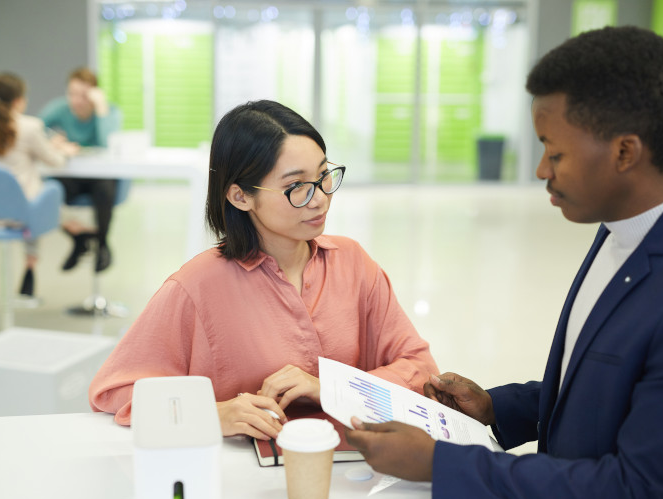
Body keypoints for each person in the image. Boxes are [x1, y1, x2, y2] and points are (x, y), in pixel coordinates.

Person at [346, 26, 663, 499]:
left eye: (555, 153)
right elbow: (607, 385)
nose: (539, 170)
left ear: (624, 153)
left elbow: (637, 495)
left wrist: (441, 465)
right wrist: (495, 408)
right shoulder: (623, 229)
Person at [88, 100, 439, 439]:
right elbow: (115, 392)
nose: (319, 198)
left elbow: (421, 370)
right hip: (240, 483)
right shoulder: (195, 287)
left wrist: (330, 389)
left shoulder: (352, 263)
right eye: (296, 186)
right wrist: (212, 413)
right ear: (240, 196)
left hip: (352, 472)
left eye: (323, 175)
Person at [0, 72, 78, 297]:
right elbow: (55, 162)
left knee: (29, 189)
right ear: (19, 101)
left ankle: (75, 232)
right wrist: (63, 150)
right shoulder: (30, 127)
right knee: (43, 190)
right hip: (19, 219)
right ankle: (32, 264)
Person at [40, 67, 122, 273]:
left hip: (100, 178)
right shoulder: (59, 109)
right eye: (72, 94)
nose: (76, 100)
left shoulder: (109, 111)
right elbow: (36, 128)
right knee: (50, 189)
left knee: (105, 189)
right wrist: (53, 140)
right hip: (73, 176)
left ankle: (102, 245)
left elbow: (107, 143)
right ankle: (78, 238)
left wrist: (101, 107)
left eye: (83, 95)